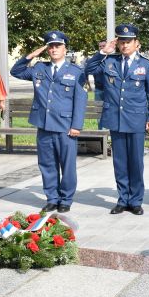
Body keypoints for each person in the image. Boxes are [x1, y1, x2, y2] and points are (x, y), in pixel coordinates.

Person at [85, 24, 149, 216]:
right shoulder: (109, 61)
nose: (125, 45)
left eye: (128, 42)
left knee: (136, 162)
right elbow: (89, 68)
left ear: (136, 43)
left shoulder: (146, 64)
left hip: (136, 119)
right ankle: (122, 199)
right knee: (119, 162)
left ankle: (136, 201)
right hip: (116, 119)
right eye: (122, 42)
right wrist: (104, 51)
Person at [10, 31, 87, 213]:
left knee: (67, 166)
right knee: (47, 164)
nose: (54, 49)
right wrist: (32, 55)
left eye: (57, 46)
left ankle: (66, 199)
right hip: (44, 125)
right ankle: (52, 198)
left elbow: (80, 100)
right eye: (50, 46)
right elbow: (16, 71)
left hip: (65, 127)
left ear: (65, 48)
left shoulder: (76, 72)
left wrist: (76, 125)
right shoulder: (39, 68)